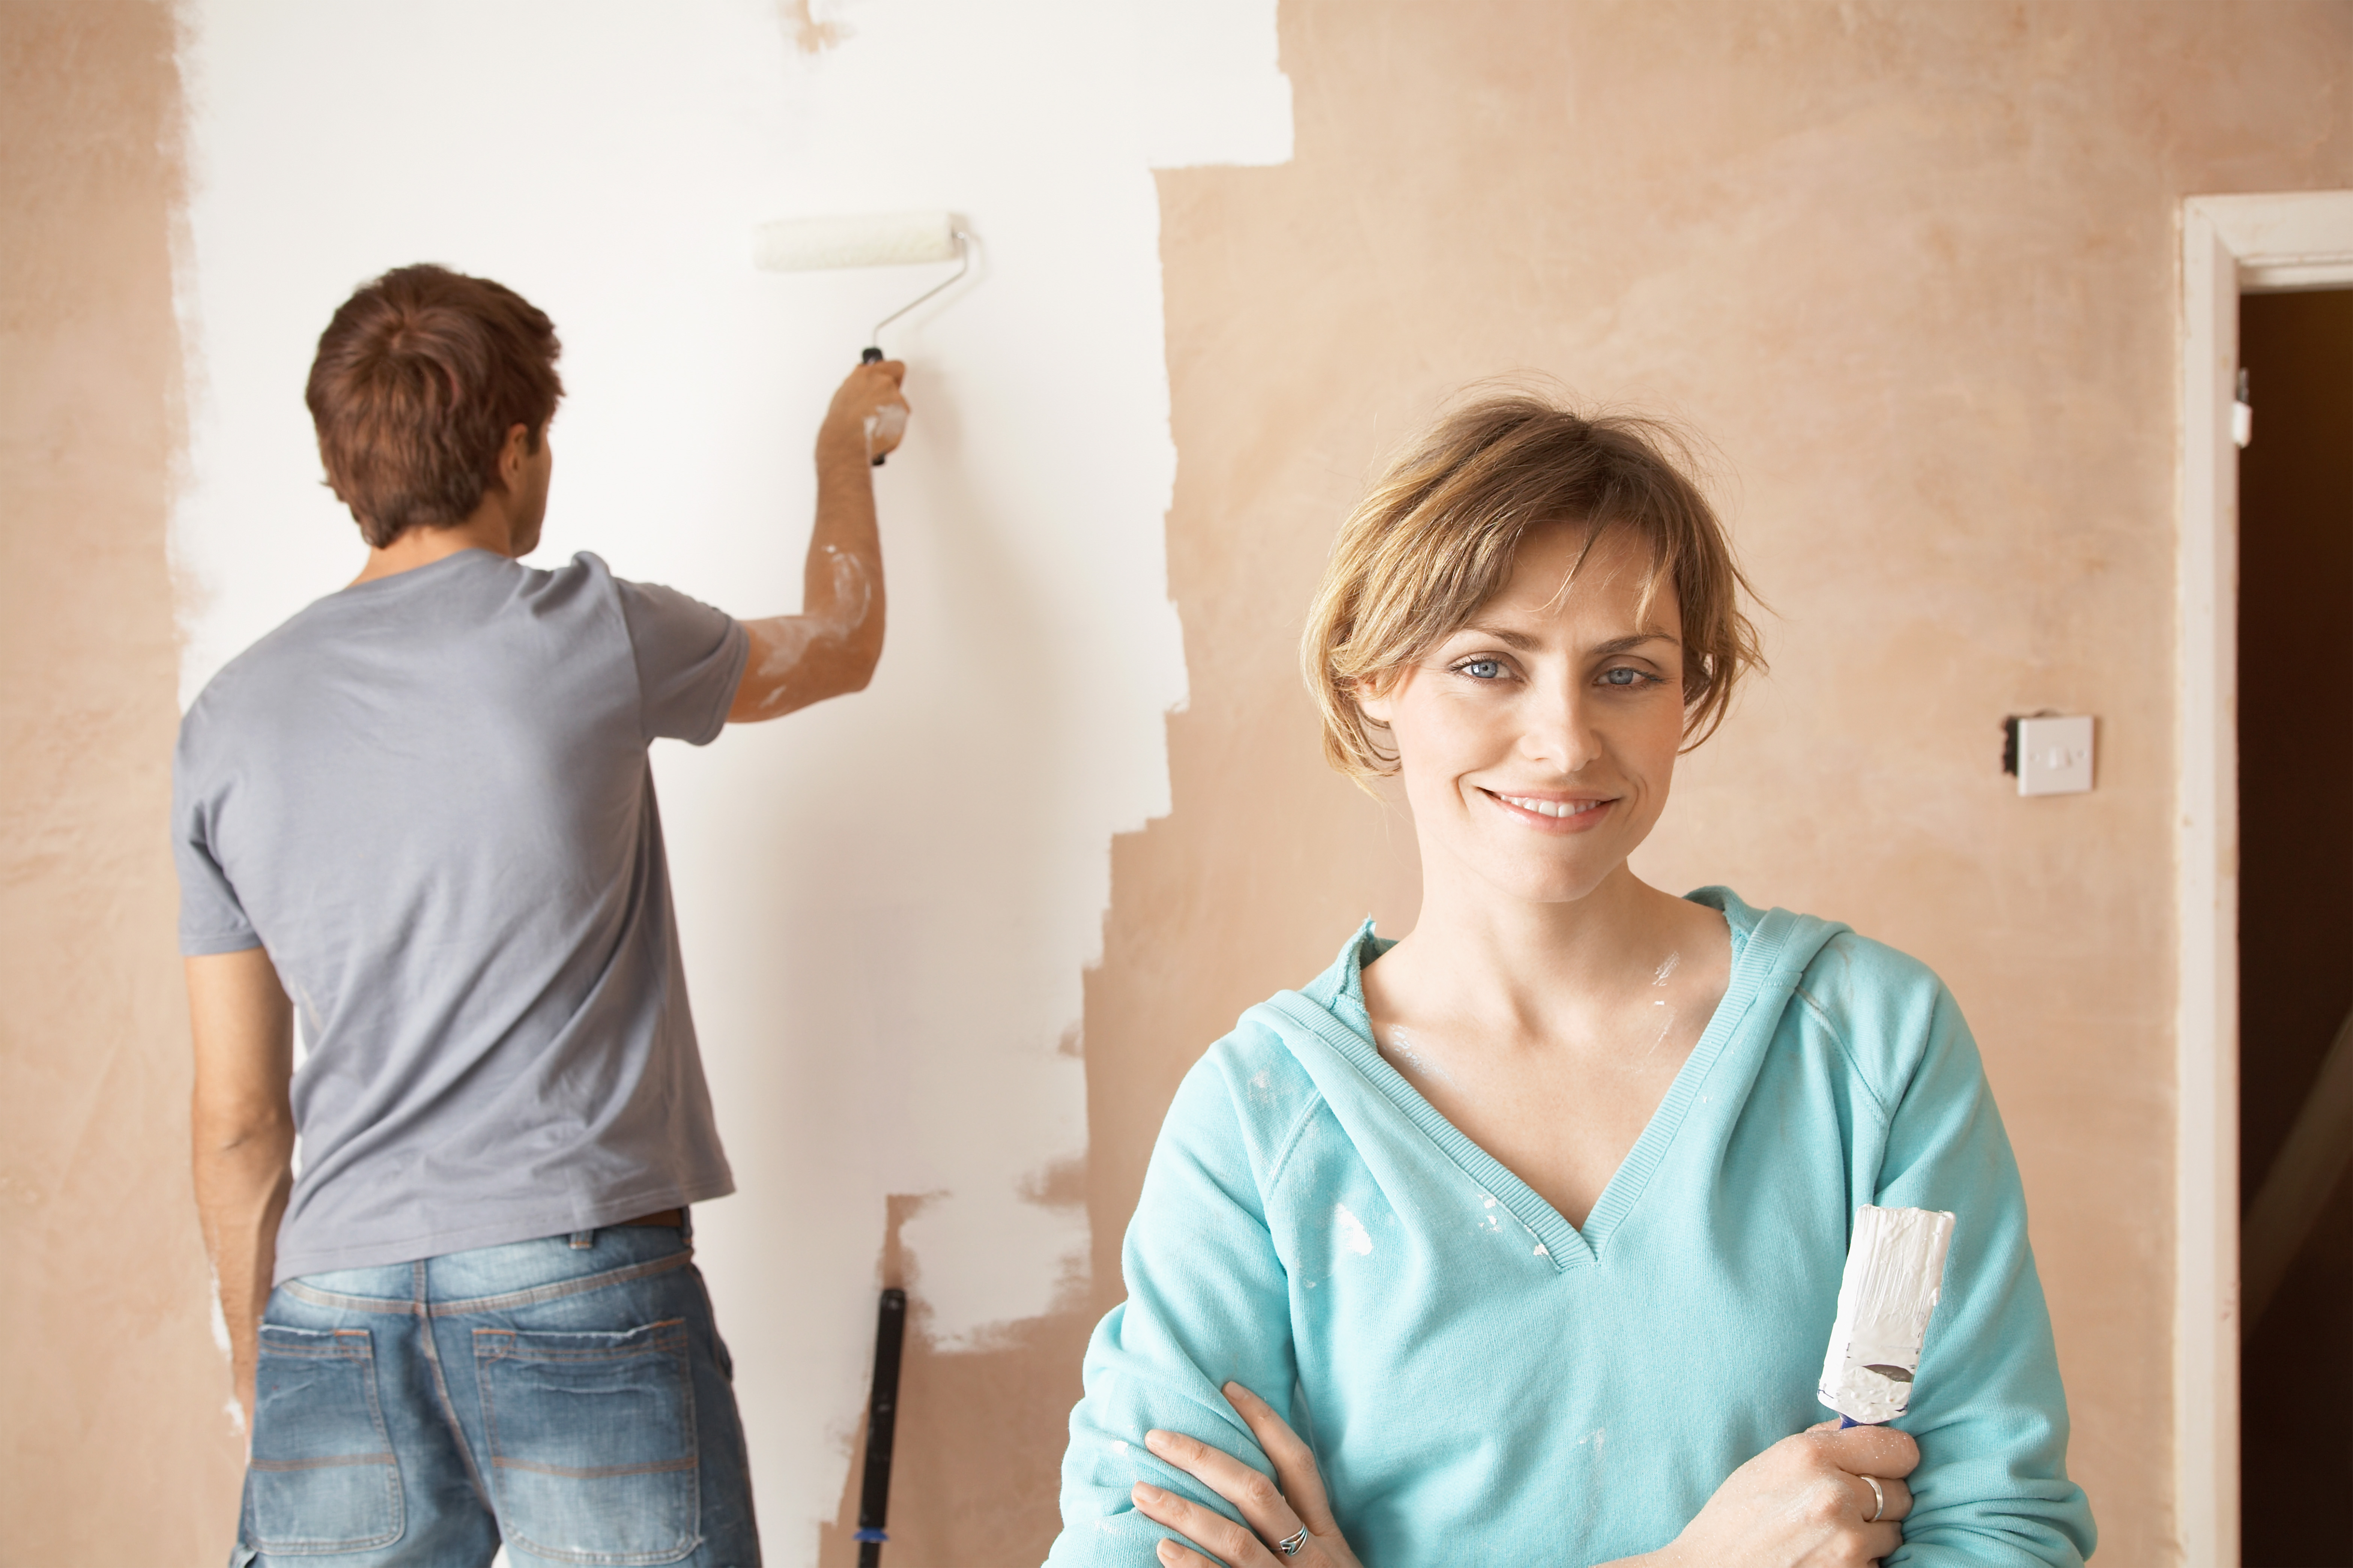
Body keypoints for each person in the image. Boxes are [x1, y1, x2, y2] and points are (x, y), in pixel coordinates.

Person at [1044, 396, 2097, 1566]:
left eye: (1627, 674)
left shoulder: (1874, 1044)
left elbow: (2001, 1531)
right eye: (1490, 664)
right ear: (1376, 678)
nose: (1564, 741)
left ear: (1689, 694)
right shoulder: (1259, 1120)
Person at [176, 263, 908, 1568]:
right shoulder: (589, 629)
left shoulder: (225, 722)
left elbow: (238, 1121)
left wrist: (273, 1372)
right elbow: (841, 639)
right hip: (567, 1268)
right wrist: (839, 448)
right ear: (515, 446)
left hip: (327, 1301)